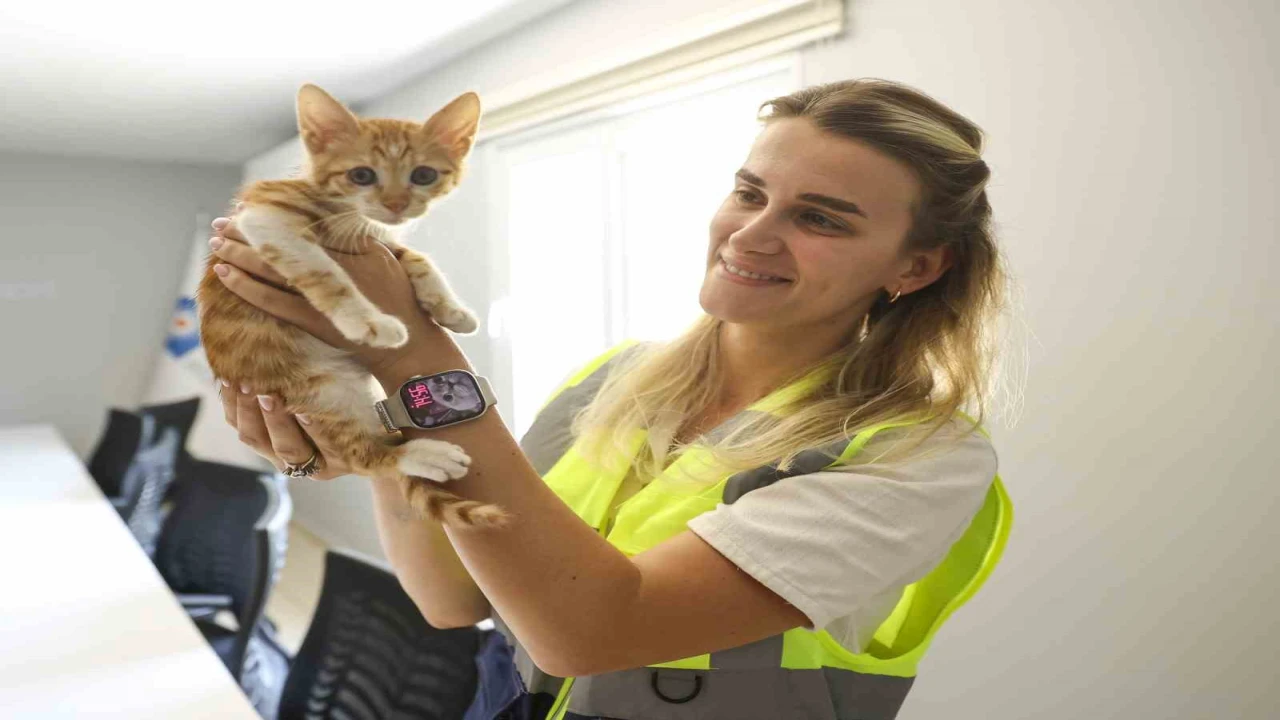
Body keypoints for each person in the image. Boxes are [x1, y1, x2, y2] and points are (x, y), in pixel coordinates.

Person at [210, 78, 1012, 720]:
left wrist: (411, 351)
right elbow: (453, 598)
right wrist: (374, 436)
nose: (749, 235)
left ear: (914, 268)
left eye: (820, 219)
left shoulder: (917, 458)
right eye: (749, 191)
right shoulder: (613, 378)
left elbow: (589, 631)